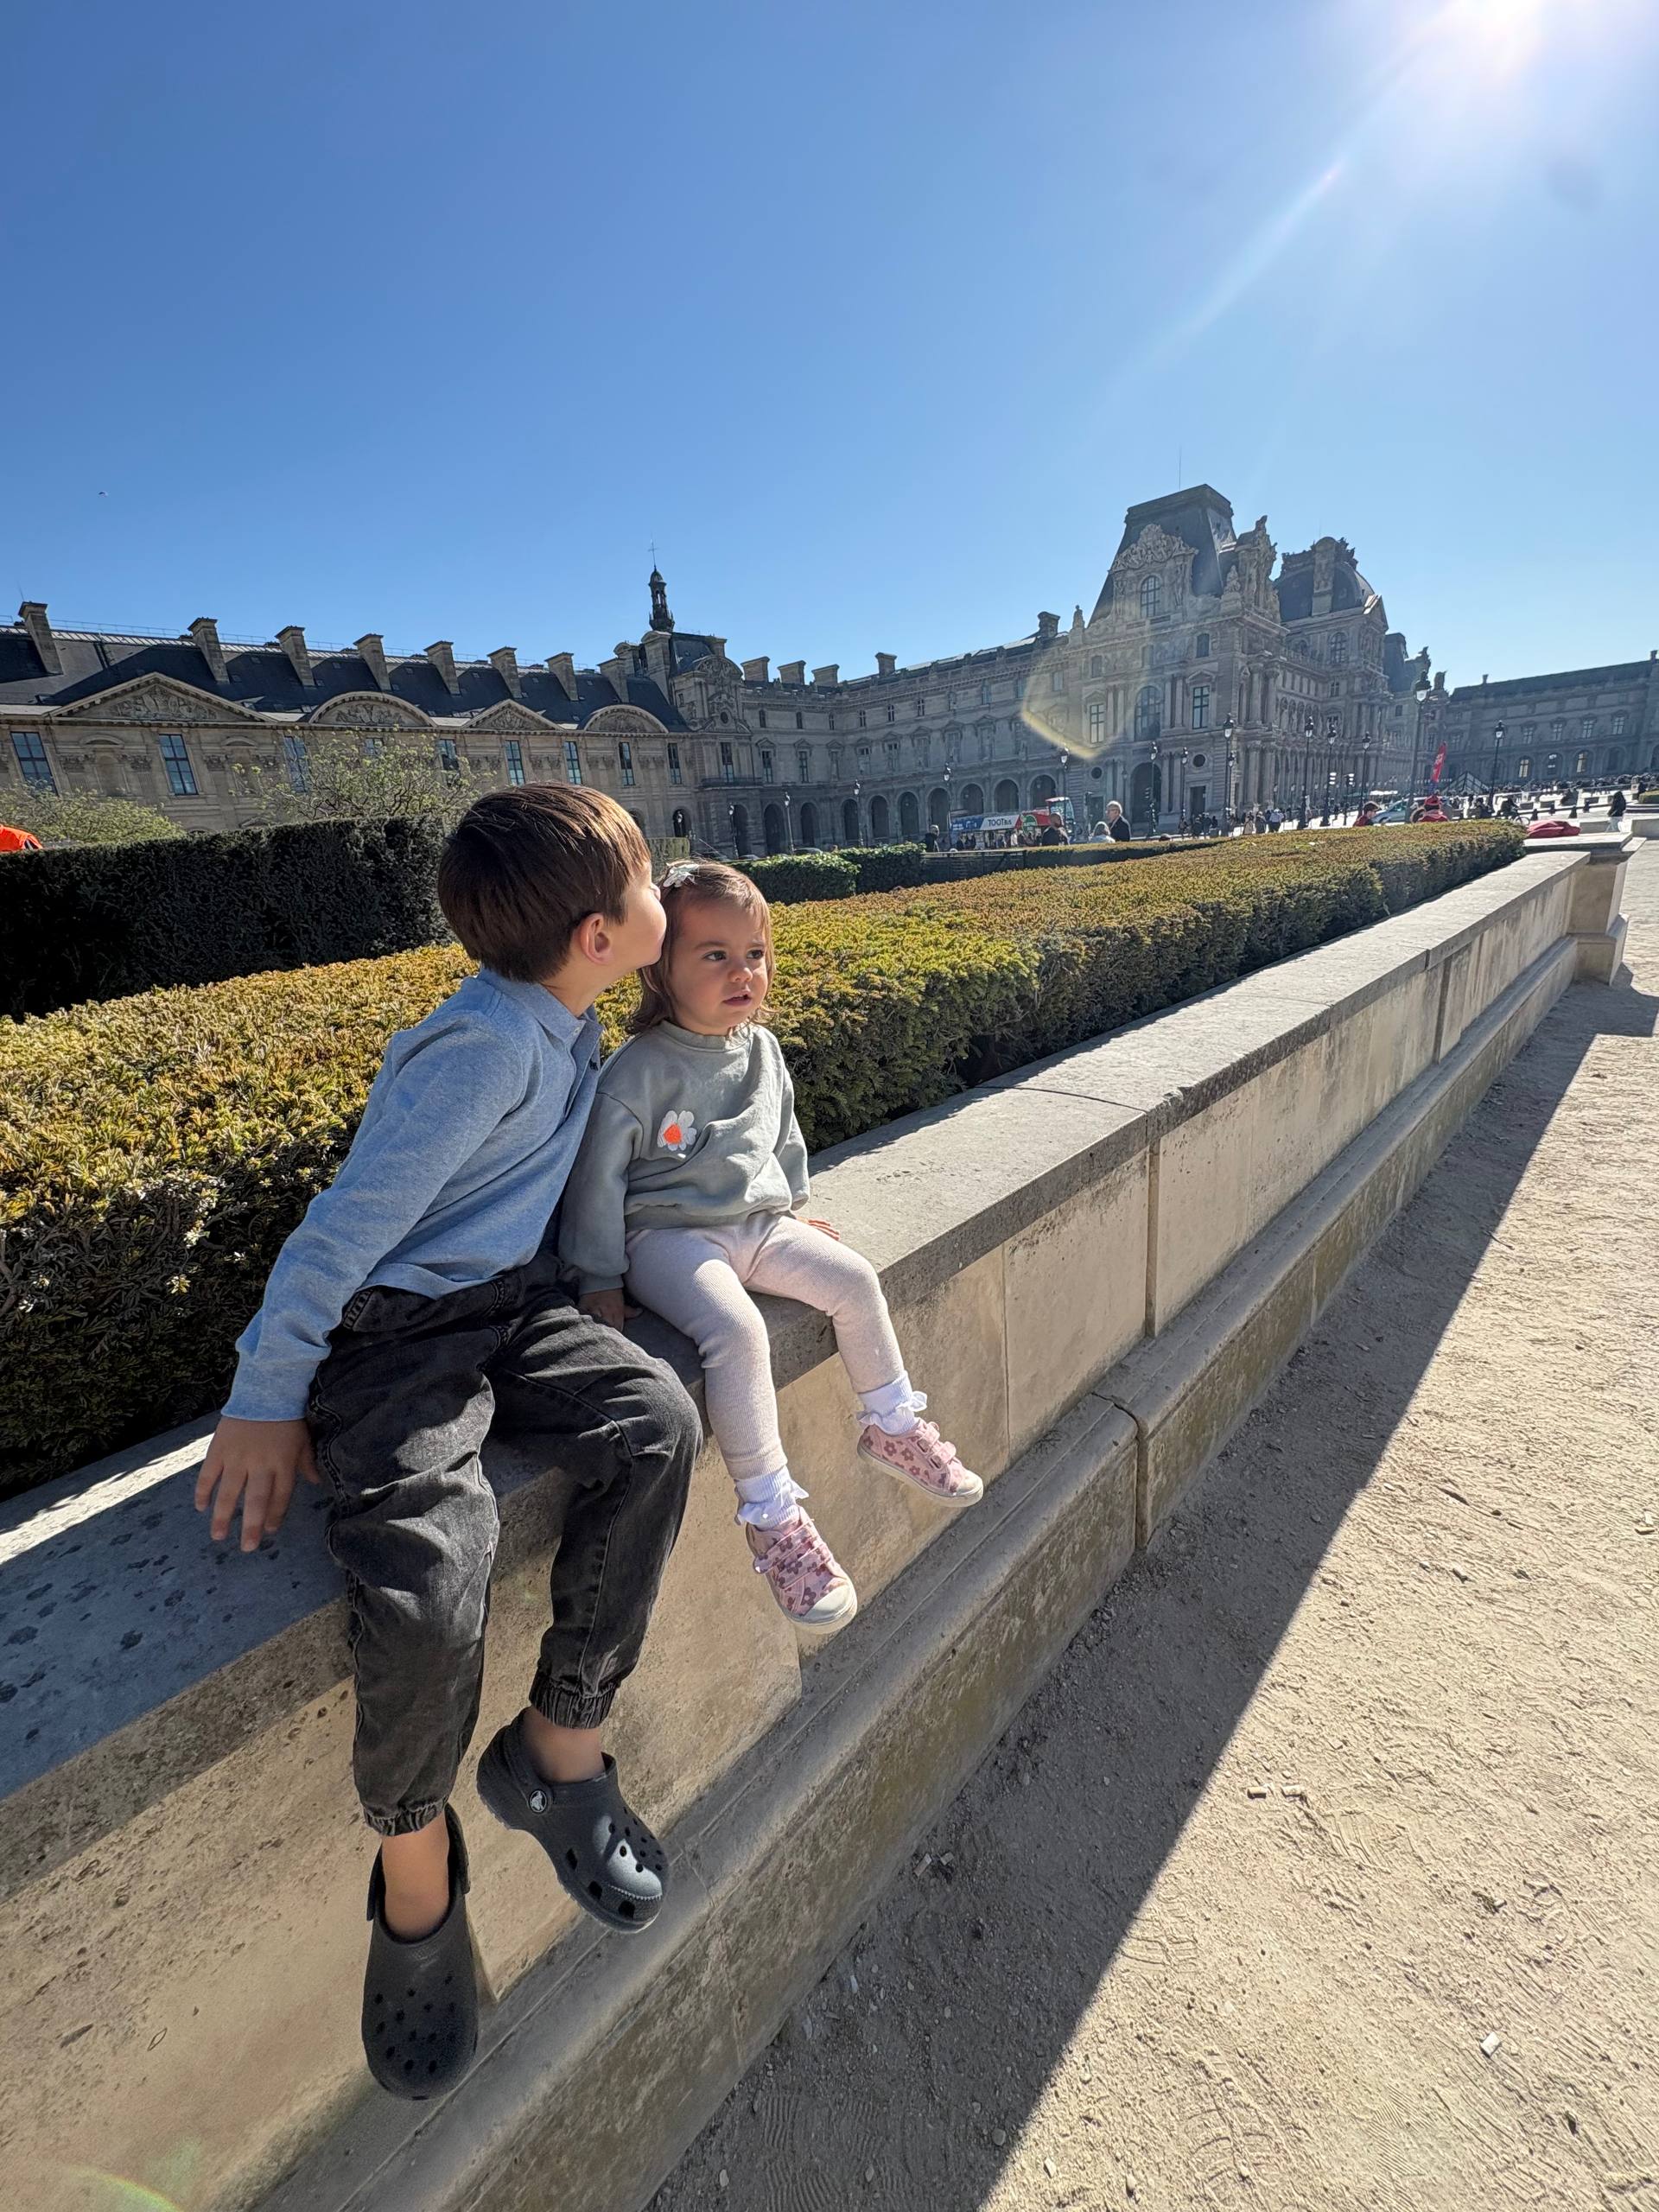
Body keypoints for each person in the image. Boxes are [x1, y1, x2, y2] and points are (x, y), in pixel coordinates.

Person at [194, 787, 702, 2101]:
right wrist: (266, 1395)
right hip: (397, 1338)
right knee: (431, 1583)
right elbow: (343, 1230)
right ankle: (415, 1876)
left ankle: (559, 1747)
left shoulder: (569, 1017)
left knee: (655, 1422)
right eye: (650, 878)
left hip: (509, 1301)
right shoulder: (483, 1049)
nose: (668, 889)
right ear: (599, 933)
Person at [561, 861, 983, 1634]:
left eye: (753, 953)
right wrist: (598, 1274)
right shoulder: (638, 1070)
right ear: (660, 967)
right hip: (668, 1236)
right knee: (737, 1330)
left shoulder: (762, 1051)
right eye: (714, 955)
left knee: (854, 1280)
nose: (741, 972)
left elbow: (782, 1139)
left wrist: (793, 1208)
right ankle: (771, 1513)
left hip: (757, 1226)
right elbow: (597, 1179)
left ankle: (892, 1426)